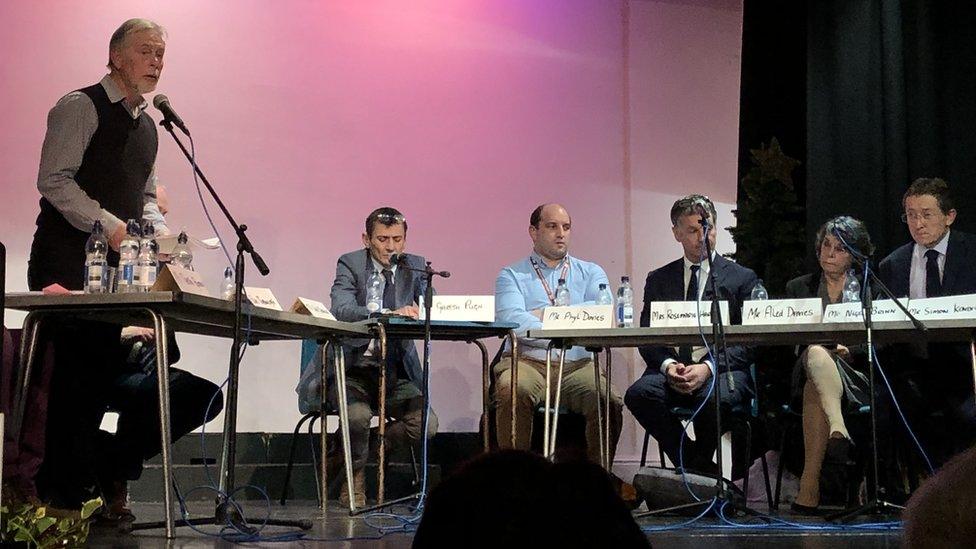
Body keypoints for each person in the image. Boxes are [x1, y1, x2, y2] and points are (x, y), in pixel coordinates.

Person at [25, 18, 222, 523]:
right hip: (67, 266)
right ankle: (61, 501)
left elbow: (147, 202)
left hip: (121, 275)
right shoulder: (79, 106)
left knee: (146, 382)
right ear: (115, 56)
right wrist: (112, 228)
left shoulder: (151, 128)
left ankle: (105, 470)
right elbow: (54, 180)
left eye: (161, 52)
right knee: (78, 382)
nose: (157, 60)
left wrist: (166, 243)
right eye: (145, 51)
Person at [306, 207, 438, 507]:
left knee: (426, 424)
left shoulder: (415, 266)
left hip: (395, 370)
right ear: (366, 239)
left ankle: (368, 449)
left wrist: (424, 310)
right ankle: (355, 476)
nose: (390, 247)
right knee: (357, 416)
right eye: (382, 239)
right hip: (354, 368)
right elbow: (341, 308)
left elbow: (432, 305)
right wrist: (384, 314)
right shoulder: (350, 263)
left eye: (397, 239)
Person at [625, 194, 760, 476]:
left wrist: (708, 368)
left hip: (722, 371)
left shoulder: (741, 278)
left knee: (715, 399)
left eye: (707, 229)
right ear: (676, 233)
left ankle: (694, 473)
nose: (703, 237)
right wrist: (668, 366)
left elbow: (750, 343)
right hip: (672, 370)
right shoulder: (659, 279)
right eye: (693, 231)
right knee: (638, 394)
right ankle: (701, 470)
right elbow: (647, 337)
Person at [494, 203, 623, 464]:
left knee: (606, 398)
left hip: (578, 365)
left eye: (566, 227)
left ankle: (598, 483)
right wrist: (575, 319)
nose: (560, 233)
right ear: (533, 231)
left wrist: (544, 314)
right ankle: (514, 482)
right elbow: (512, 321)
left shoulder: (591, 272)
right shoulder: (511, 275)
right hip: (527, 362)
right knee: (511, 390)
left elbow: (604, 314)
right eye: (552, 226)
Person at [878, 178, 976, 469]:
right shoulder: (892, 265)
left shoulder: (972, 252)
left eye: (926, 214)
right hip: (914, 370)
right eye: (910, 215)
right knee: (887, 408)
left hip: (965, 368)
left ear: (949, 216)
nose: (917, 223)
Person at [784, 216, 872, 514]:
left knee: (815, 388)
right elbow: (787, 340)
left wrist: (852, 350)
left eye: (839, 249)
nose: (829, 254)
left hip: (855, 373)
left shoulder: (868, 288)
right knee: (816, 353)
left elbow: (884, 339)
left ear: (855, 255)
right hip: (808, 366)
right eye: (826, 245)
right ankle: (837, 425)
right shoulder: (799, 288)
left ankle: (809, 486)